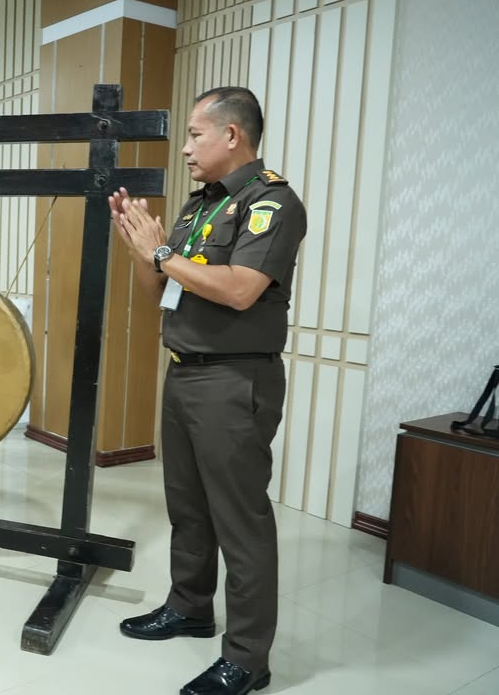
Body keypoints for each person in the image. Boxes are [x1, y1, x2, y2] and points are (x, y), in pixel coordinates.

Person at [109, 86, 306, 695]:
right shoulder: (200, 207)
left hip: (233, 379)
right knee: (187, 506)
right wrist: (143, 249)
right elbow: (160, 292)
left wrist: (161, 251)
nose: (187, 148)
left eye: (196, 135)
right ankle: (190, 606)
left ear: (232, 136)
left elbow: (242, 288)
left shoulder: (271, 202)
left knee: (239, 520)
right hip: (185, 370)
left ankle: (248, 658)